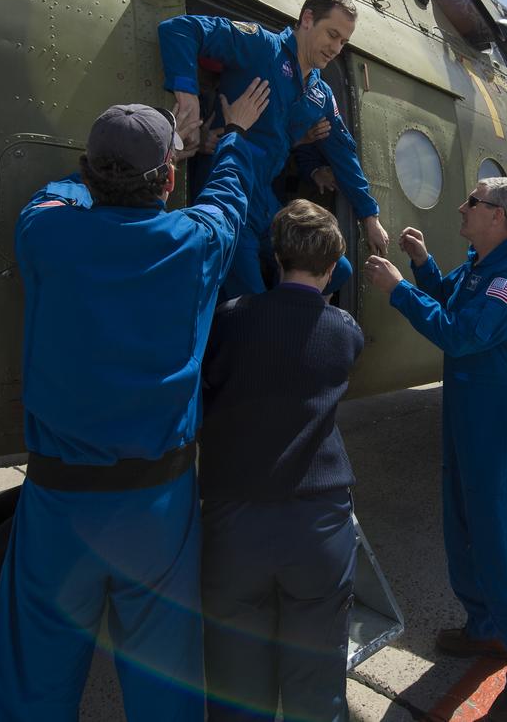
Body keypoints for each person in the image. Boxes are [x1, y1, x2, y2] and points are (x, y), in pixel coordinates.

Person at [0, 84, 269, 722]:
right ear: (169, 179)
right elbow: (228, 198)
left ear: (90, 171)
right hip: (158, 508)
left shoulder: (46, 231)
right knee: (166, 685)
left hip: (59, 503)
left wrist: (100, 175)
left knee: (30, 683)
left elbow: (59, 193)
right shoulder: (197, 243)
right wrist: (234, 137)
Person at [364, 177, 507, 722]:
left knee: (497, 543)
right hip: (469, 413)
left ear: (496, 216)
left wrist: (399, 290)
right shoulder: (481, 265)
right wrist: (424, 265)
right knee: (463, 527)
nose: (461, 207)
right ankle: (486, 627)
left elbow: (461, 334)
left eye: (471, 202)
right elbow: (451, 297)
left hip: (498, 419)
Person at [198, 199, 364, 722]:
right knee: (316, 686)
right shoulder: (344, 331)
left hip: (235, 520)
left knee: (234, 680)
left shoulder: (229, 320)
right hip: (318, 525)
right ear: (334, 266)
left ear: (275, 256)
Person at [158, 0, 389, 299]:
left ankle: (286, 316)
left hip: (266, 201)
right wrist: (188, 98)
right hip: (227, 186)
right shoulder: (260, 46)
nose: (336, 48)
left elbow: (344, 155)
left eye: (343, 42)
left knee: (339, 269)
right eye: (332, 35)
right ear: (307, 19)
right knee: (250, 302)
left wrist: (370, 217)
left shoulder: (321, 94)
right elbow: (181, 29)